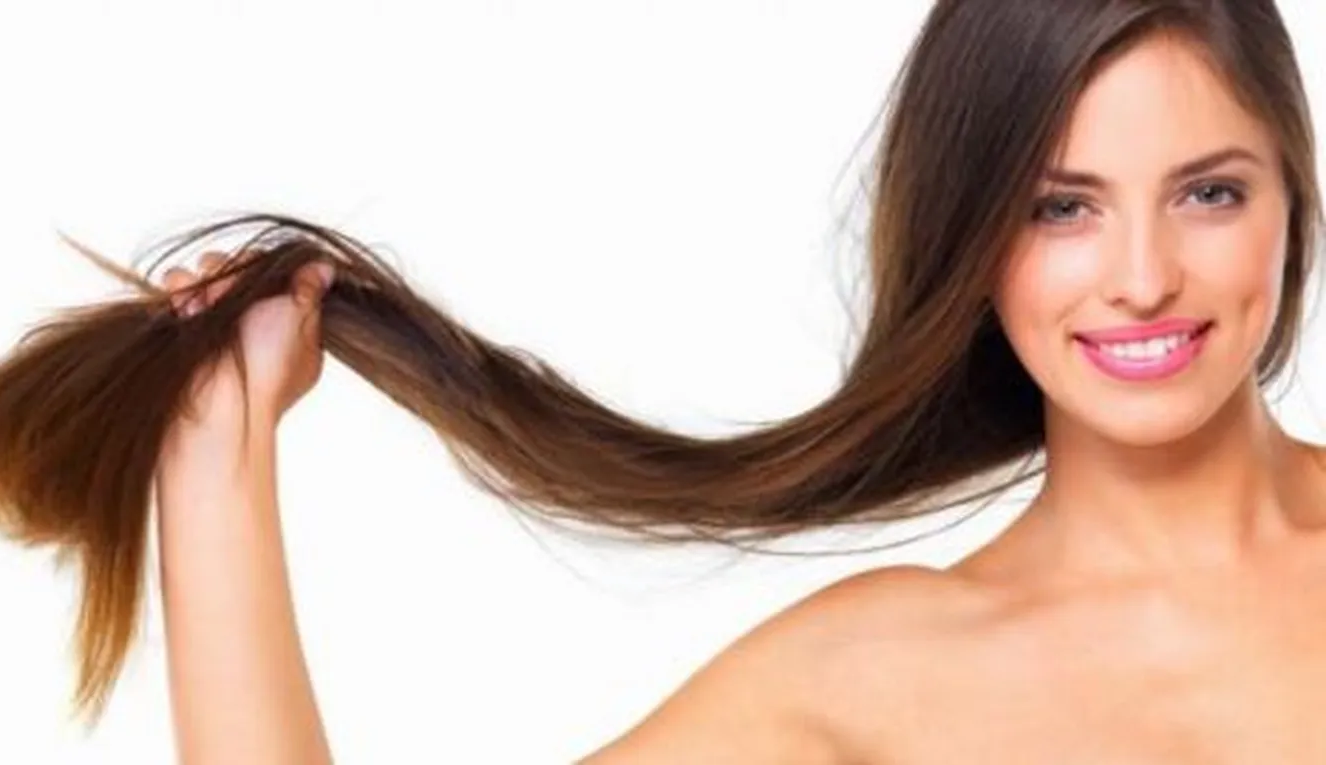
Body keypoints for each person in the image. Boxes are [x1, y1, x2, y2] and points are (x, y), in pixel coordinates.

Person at [153, 0, 1325, 762]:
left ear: (1291, 201)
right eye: (1061, 208)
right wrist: (214, 469)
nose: (1142, 279)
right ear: (974, 239)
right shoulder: (870, 674)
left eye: (1208, 193)